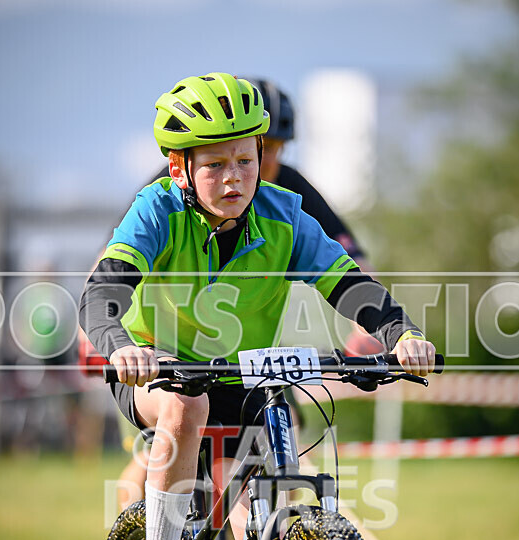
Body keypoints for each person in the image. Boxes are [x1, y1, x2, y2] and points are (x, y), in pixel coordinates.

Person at [79, 72, 434, 540]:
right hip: (158, 370)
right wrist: (118, 338)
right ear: (182, 168)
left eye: (246, 159)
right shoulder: (155, 211)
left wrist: (396, 332)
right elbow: (104, 288)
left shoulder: (285, 212)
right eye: (216, 165)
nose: (235, 176)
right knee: (188, 410)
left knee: (261, 533)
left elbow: (345, 281)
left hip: (244, 374)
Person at [78, 77, 376, 510]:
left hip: (240, 354)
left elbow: (350, 264)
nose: (256, 164)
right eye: (220, 162)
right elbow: (109, 266)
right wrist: (102, 337)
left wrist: (370, 330)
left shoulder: (286, 193)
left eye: (265, 151)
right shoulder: (174, 187)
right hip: (161, 350)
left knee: (281, 431)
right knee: (155, 451)